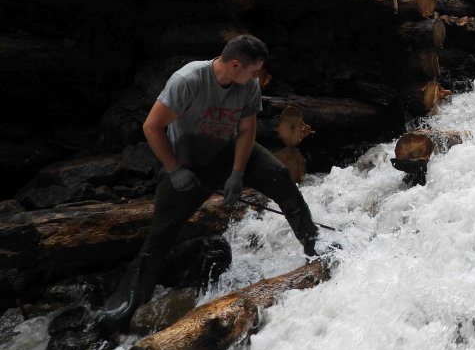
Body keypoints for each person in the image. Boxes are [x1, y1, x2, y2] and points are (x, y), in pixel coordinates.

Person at [98, 34, 319, 330]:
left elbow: (246, 130)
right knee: (161, 234)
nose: (258, 77)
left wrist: (238, 174)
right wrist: (175, 170)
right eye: (254, 71)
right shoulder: (188, 80)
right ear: (236, 64)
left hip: (227, 152)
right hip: (186, 161)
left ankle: (314, 244)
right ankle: (130, 303)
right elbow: (152, 127)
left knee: (279, 176)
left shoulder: (248, 84)